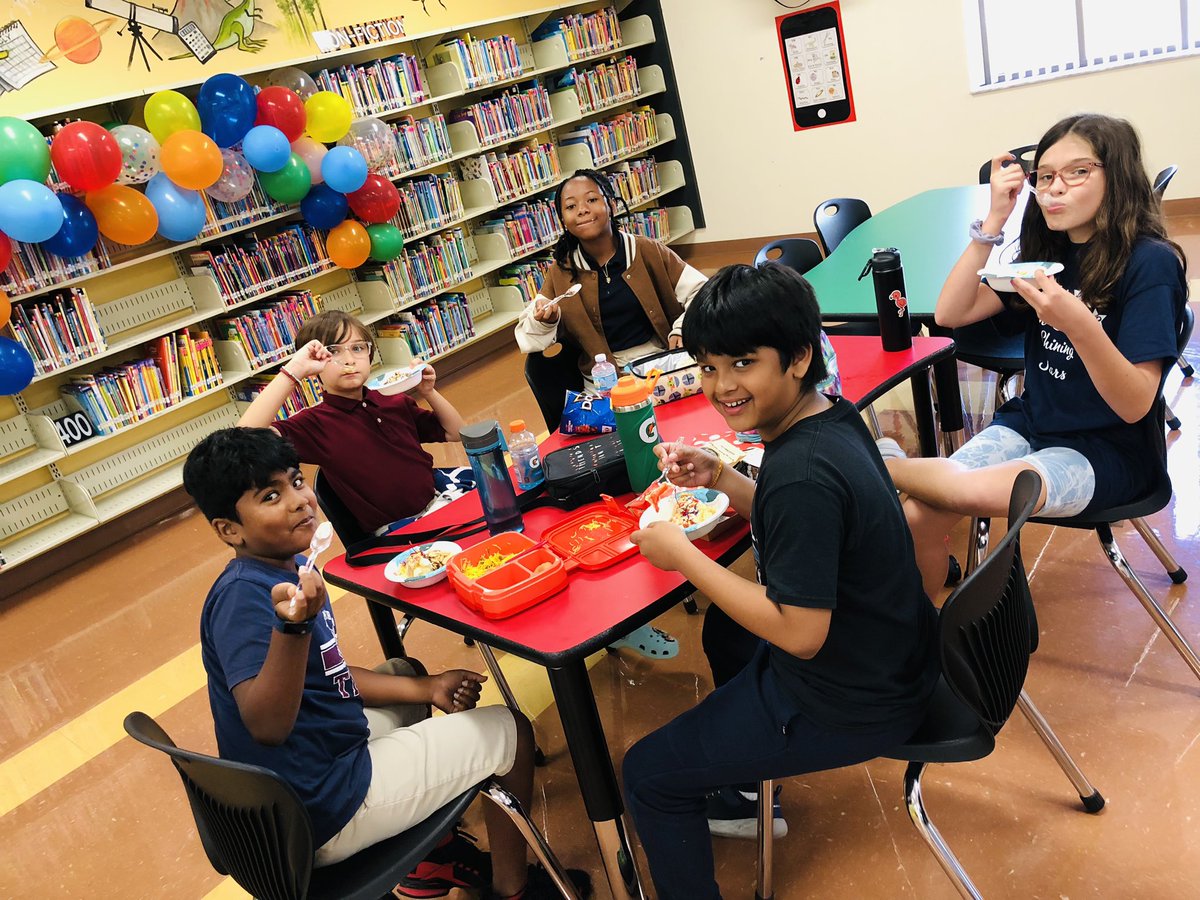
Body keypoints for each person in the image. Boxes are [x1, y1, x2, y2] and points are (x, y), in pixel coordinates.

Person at [621, 263, 940, 900]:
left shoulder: (799, 474)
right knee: (725, 634)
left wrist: (684, 556)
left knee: (646, 774)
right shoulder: (832, 416)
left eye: (743, 363)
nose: (722, 386)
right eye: (708, 367)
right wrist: (722, 478)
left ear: (796, 358)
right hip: (894, 653)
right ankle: (741, 783)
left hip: (851, 698)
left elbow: (800, 634)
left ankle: (738, 774)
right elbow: (809, 522)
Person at [182, 427, 591, 900]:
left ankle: (430, 863)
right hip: (322, 805)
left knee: (406, 672)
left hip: (310, 773)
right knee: (513, 732)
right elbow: (267, 724)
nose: (299, 501)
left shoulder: (284, 567)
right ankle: (512, 890)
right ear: (228, 529)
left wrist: (428, 688)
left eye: (296, 482)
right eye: (271, 496)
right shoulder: (243, 598)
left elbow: (325, 674)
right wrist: (293, 630)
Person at [881, 113, 1188, 600]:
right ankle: (922, 635)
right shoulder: (1049, 254)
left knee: (956, 489)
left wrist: (1079, 324)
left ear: (1118, 176)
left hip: (1106, 450)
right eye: (1044, 176)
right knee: (914, 514)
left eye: (1077, 172)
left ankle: (872, 461)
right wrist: (994, 222)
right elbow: (951, 311)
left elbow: (1134, 405)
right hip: (1032, 422)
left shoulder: (1150, 264)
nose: (1054, 189)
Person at [238, 309, 470, 536]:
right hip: (398, 530)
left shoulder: (392, 401)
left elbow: (455, 432)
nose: (349, 360)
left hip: (439, 498)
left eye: (358, 348)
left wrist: (429, 392)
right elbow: (244, 438)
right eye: (333, 352)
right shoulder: (314, 424)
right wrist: (293, 372)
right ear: (313, 366)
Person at [515, 167, 708, 381]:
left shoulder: (646, 250)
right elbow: (528, 337)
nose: (582, 210)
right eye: (571, 206)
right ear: (563, 221)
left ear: (611, 205)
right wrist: (546, 321)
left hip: (662, 364)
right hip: (604, 380)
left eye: (591, 200)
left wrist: (682, 328)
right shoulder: (561, 271)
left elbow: (703, 292)